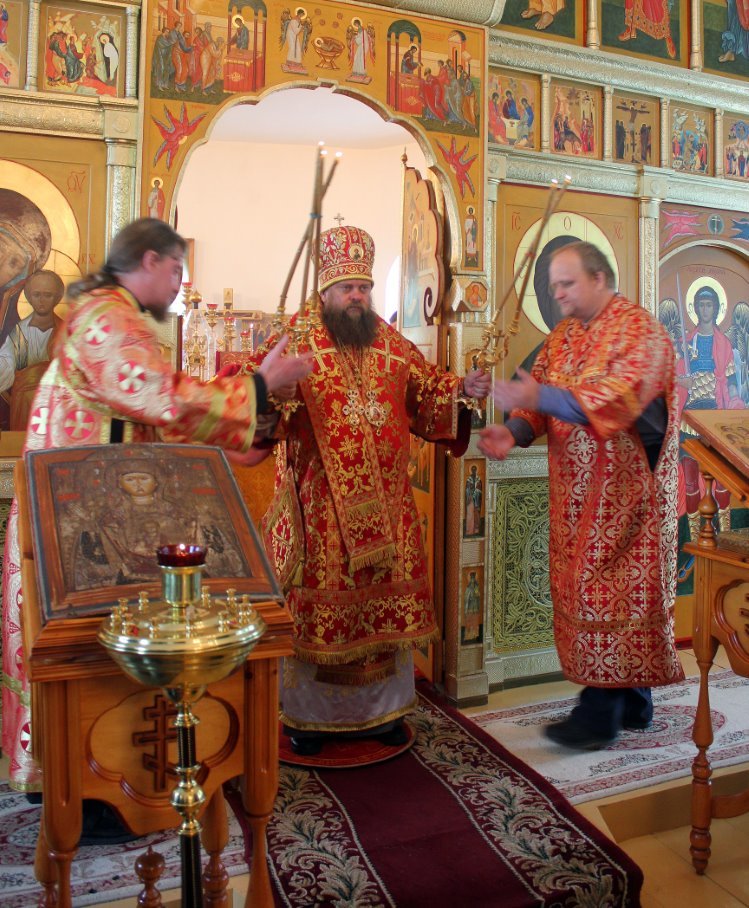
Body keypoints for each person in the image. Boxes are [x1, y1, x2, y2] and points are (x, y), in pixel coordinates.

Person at [1, 217, 312, 797]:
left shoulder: (111, 314)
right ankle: (80, 791)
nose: (176, 286)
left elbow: (156, 419)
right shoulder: (105, 317)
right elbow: (159, 397)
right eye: (174, 271)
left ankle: (101, 779)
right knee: (82, 661)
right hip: (73, 529)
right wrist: (257, 386)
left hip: (91, 520)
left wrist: (255, 410)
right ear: (148, 260)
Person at [246, 224, 490, 756]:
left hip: (390, 511)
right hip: (321, 513)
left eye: (363, 287)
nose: (356, 296)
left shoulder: (393, 344)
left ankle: (382, 713)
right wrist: (271, 396)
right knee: (325, 613)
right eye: (346, 288)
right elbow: (255, 394)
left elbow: (428, 391)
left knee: (383, 610)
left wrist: (462, 389)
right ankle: (310, 720)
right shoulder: (297, 340)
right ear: (325, 290)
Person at [478, 241, 684, 749]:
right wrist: (513, 431)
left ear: (599, 278)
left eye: (567, 283)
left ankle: (596, 717)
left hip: (628, 498)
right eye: (554, 286)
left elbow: (616, 399)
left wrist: (541, 396)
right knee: (596, 595)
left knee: (608, 596)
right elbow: (536, 401)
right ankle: (634, 703)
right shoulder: (564, 336)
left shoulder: (639, 331)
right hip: (575, 495)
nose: (560, 295)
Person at [677, 285, 745, 539]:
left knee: (722, 479)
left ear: (716, 308)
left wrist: (735, 400)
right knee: (691, 480)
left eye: (709, 305)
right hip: (690, 418)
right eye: (701, 305)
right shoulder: (686, 343)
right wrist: (681, 381)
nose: (705, 309)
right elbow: (674, 377)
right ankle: (696, 537)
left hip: (715, 417)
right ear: (695, 308)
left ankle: (725, 534)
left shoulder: (723, 344)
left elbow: (730, 381)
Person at [0, 269, 64, 431]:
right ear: (28, 297)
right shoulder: (20, 333)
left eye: (48, 295)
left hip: (56, 403)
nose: (41, 300)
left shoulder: (66, 332)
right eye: (36, 295)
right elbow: (6, 363)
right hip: (24, 404)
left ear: (57, 298)